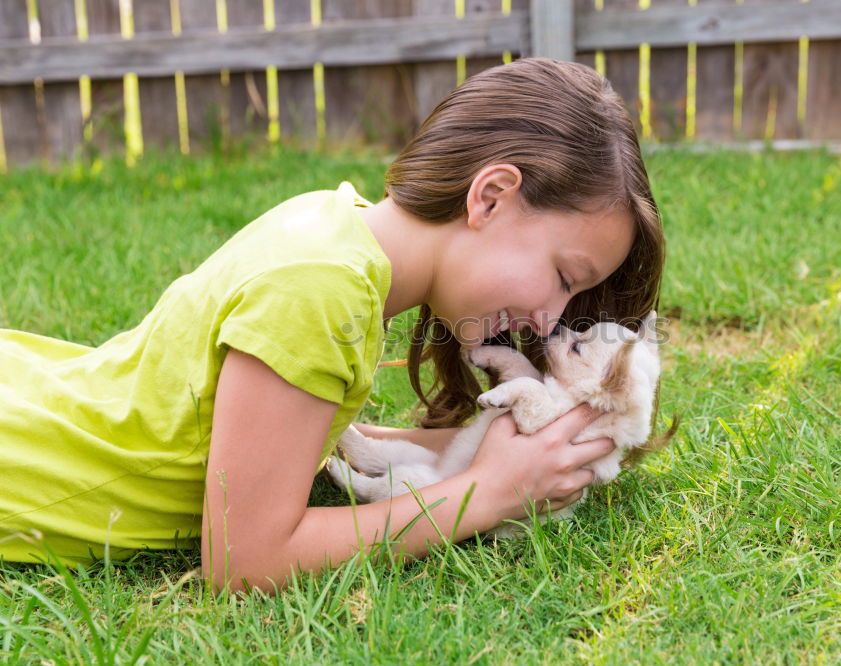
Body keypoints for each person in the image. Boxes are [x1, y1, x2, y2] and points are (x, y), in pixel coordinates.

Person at [0, 57, 664, 594]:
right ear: (490, 196)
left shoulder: (334, 228)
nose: (549, 320)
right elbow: (245, 561)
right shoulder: (319, 289)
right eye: (563, 277)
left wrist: (521, 451)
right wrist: (483, 493)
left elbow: (289, 443)